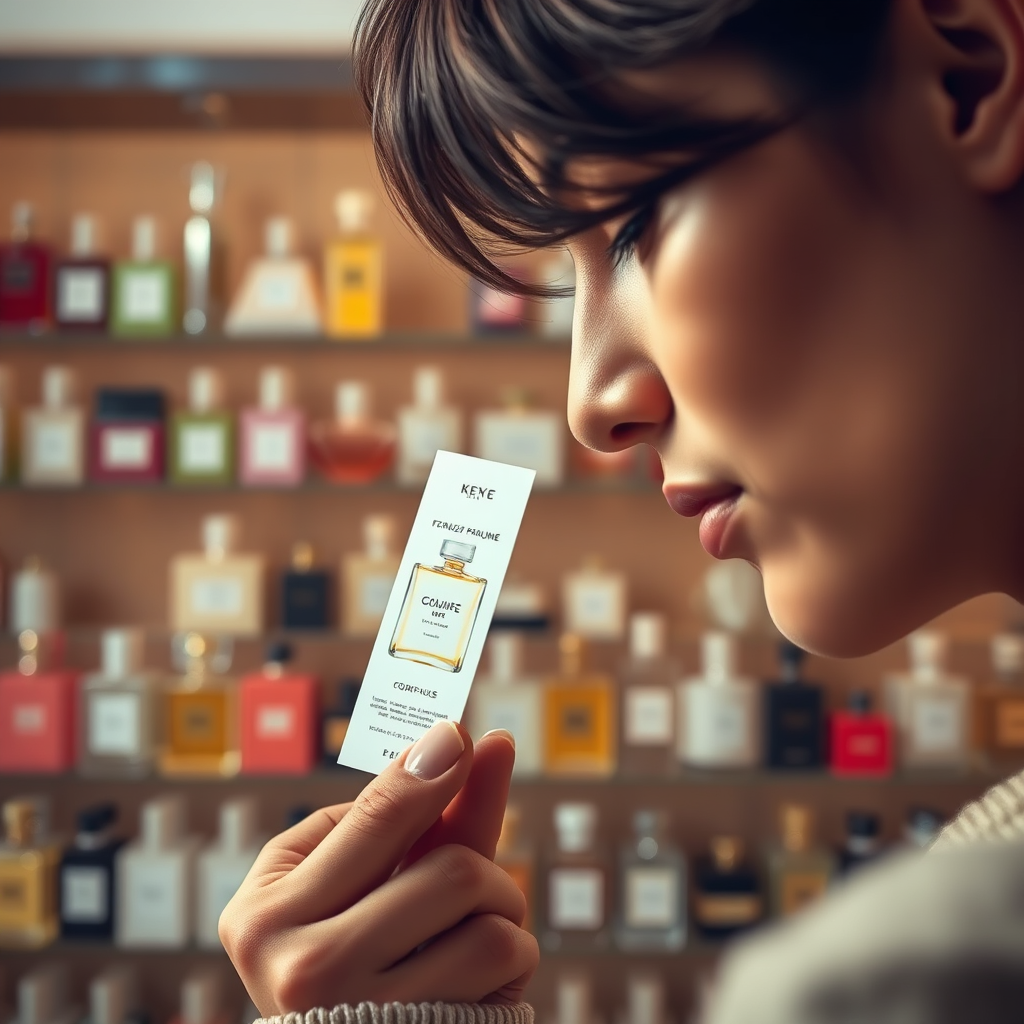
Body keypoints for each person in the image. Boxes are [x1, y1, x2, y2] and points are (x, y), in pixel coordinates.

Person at [219, 1, 1024, 1021]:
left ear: (964, 80)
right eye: (570, 273)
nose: (591, 403)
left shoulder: (915, 981)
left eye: (635, 223)